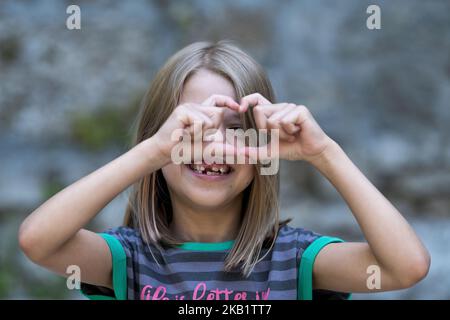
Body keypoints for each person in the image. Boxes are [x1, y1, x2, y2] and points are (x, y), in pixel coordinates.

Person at [18, 41, 430, 300]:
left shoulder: (296, 260)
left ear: (262, 150)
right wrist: (151, 153)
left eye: (236, 131)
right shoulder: (128, 259)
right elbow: (39, 241)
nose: (214, 146)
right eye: (191, 127)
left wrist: (324, 153)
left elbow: (405, 267)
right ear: (159, 143)